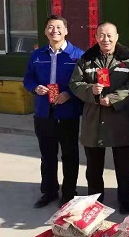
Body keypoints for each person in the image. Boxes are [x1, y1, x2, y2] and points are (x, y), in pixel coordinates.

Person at [69, 22, 129, 215]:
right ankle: (95, 201)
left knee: (124, 164)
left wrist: (113, 98)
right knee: (93, 167)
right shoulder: (86, 59)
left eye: (110, 35)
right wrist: (91, 90)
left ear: (117, 37)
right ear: (96, 37)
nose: (105, 39)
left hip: (120, 119)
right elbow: (75, 84)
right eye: (101, 35)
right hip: (94, 119)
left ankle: (125, 200)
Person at [23, 15, 84, 208]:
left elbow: (84, 83)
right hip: (44, 112)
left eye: (58, 27)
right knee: (47, 155)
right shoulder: (37, 55)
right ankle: (49, 192)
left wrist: (69, 94)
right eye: (50, 27)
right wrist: (35, 88)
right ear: (45, 31)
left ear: (66, 31)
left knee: (69, 155)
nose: (54, 30)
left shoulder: (77, 55)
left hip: (68, 113)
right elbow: (28, 79)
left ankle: (69, 193)